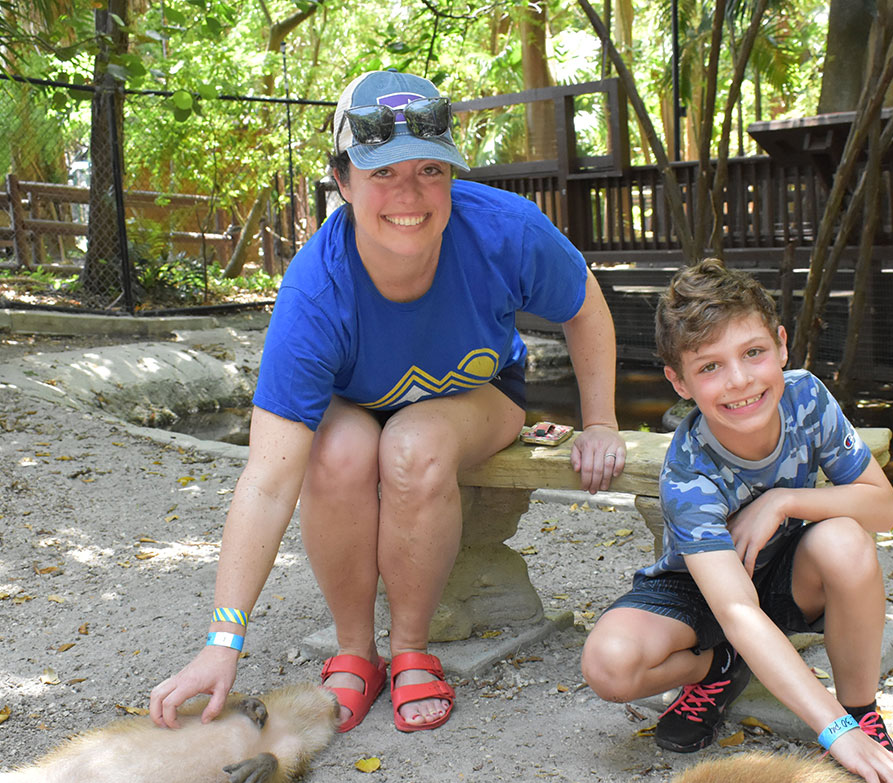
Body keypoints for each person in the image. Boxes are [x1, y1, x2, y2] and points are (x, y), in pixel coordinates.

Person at [150, 69, 625, 734]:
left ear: (453, 174)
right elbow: (266, 479)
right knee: (335, 450)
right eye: (382, 173)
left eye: (430, 169)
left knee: (414, 445)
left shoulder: (505, 230)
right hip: (356, 403)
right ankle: (356, 651)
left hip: (476, 395)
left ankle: (409, 649)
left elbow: (585, 303)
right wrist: (221, 642)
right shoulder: (316, 288)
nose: (410, 194)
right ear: (342, 181)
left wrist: (600, 420)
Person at [580, 259, 893, 783]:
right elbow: (735, 609)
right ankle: (721, 667)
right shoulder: (689, 470)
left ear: (782, 346)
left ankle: (862, 715)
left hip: (785, 568)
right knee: (608, 665)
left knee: (846, 538)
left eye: (753, 353)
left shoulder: (806, 397)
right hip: (701, 584)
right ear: (680, 381)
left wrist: (784, 500)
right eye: (709, 366)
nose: (739, 380)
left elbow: (884, 507)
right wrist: (828, 734)